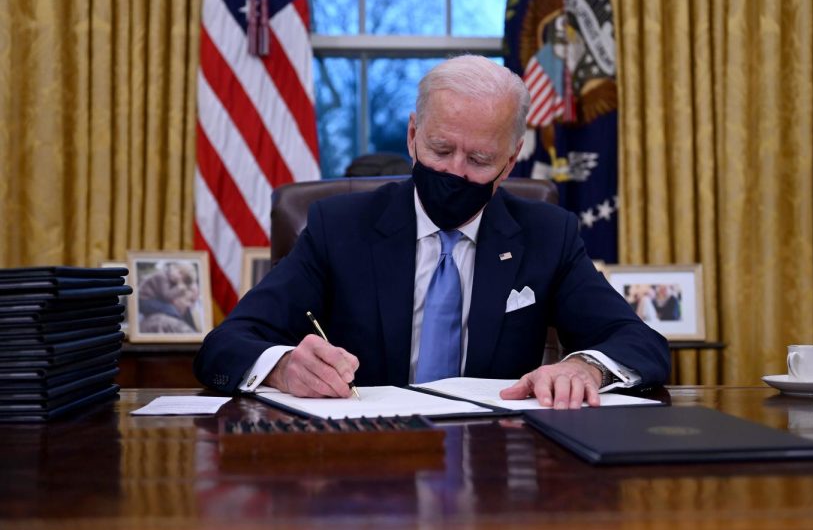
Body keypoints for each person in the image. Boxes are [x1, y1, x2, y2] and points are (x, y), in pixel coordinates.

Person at [194, 55, 670, 409]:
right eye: (440, 149)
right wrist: (282, 368)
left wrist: (583, 366)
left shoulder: (548, 234)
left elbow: (639, 343)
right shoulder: (337, 227)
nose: (455, 171)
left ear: (510, 161)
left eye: (479, 159)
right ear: (412, 135)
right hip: (365, 461)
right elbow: (228, 342)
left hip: (498, 462)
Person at [138, 261, 201, 334]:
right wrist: (179, 287)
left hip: (150, 302)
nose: (190, 306)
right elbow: (167, 296)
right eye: (189, 300)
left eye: (194, 302)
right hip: (145, 300)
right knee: (170, 309)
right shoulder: (162, 277)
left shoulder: (169, 279)